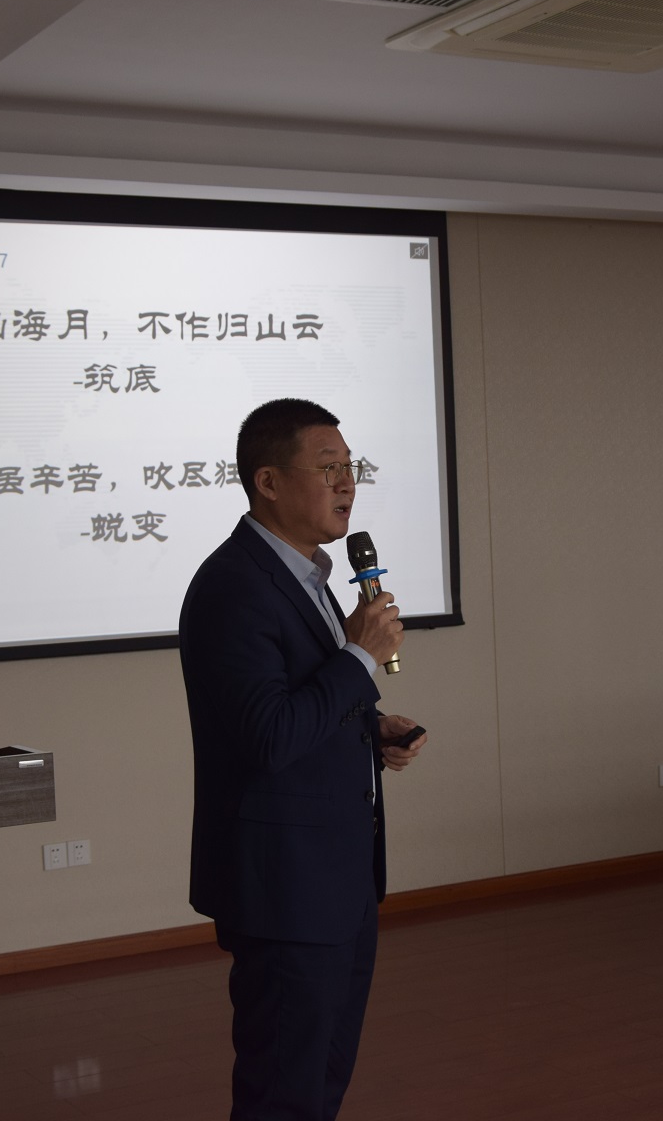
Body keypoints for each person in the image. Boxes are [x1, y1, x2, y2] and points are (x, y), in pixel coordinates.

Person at [178, 397, 428, 1121]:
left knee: (321, 1082)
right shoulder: (234, 587)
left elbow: (306, 702)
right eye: (327, 468)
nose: (347, 483)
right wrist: (360, 656)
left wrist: (372, 728)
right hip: (285, 888)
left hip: (337, 880)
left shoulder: (309, 577)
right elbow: (268, 736)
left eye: (350, 467)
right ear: (268, 482)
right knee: (282, 1093)